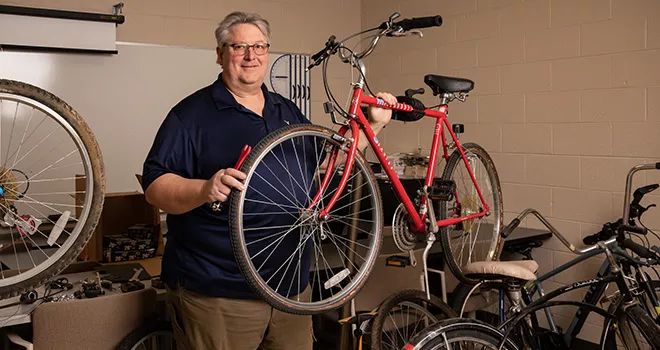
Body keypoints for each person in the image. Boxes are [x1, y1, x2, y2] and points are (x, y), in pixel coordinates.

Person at [141, 11, 395, 350]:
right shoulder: (191, 116)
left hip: (290, 290)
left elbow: (330, 157)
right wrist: (204, 188)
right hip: (220, 292)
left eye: (259, 46)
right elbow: (156, 188)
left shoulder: (285, 111)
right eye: (239, 46)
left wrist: (372, 125)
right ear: (220, 54)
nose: (251, 56)